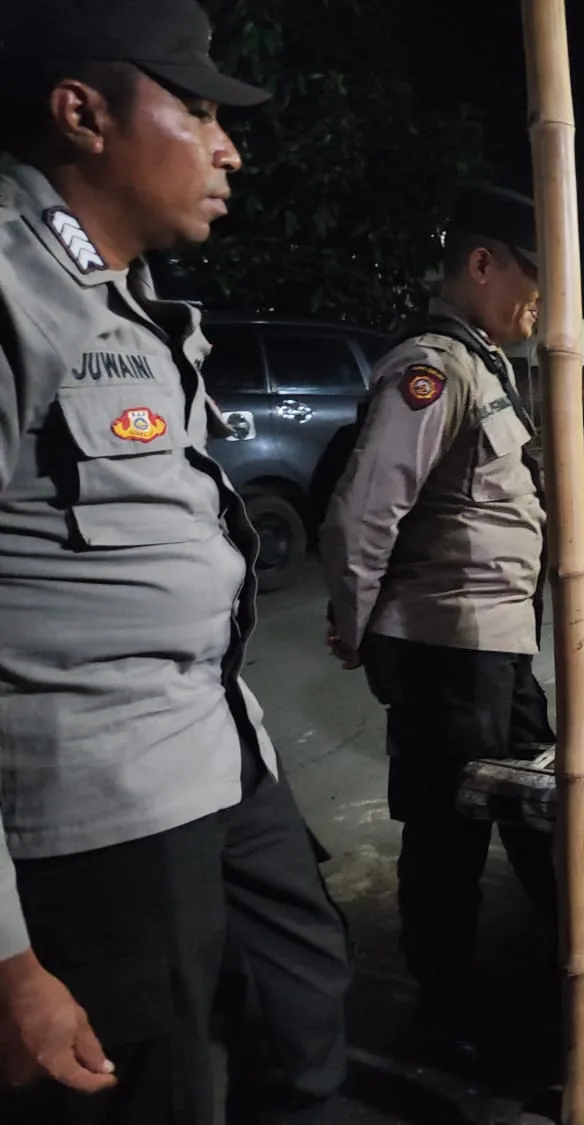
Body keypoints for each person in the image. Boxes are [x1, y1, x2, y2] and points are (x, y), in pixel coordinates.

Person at [0, 2, 351, 1122]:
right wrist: (6, 958)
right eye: (197, 111)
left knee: (302, 1012)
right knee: (162, 1087)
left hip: (221, 746)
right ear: (82, 114)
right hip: (101, 803)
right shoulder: (11, 289)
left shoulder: (133, 298)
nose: (228, 147)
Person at [320, 184, 553, 1051]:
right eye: (533, 275)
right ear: (482, 263)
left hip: (495, 645)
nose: (542, 298)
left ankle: (577, 953)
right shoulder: (433, 369)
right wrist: (356, 624)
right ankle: (445, 1005)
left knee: (534, 797)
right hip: (444, 645)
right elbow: (363, 513)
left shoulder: (485, 363)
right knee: (449, 831)